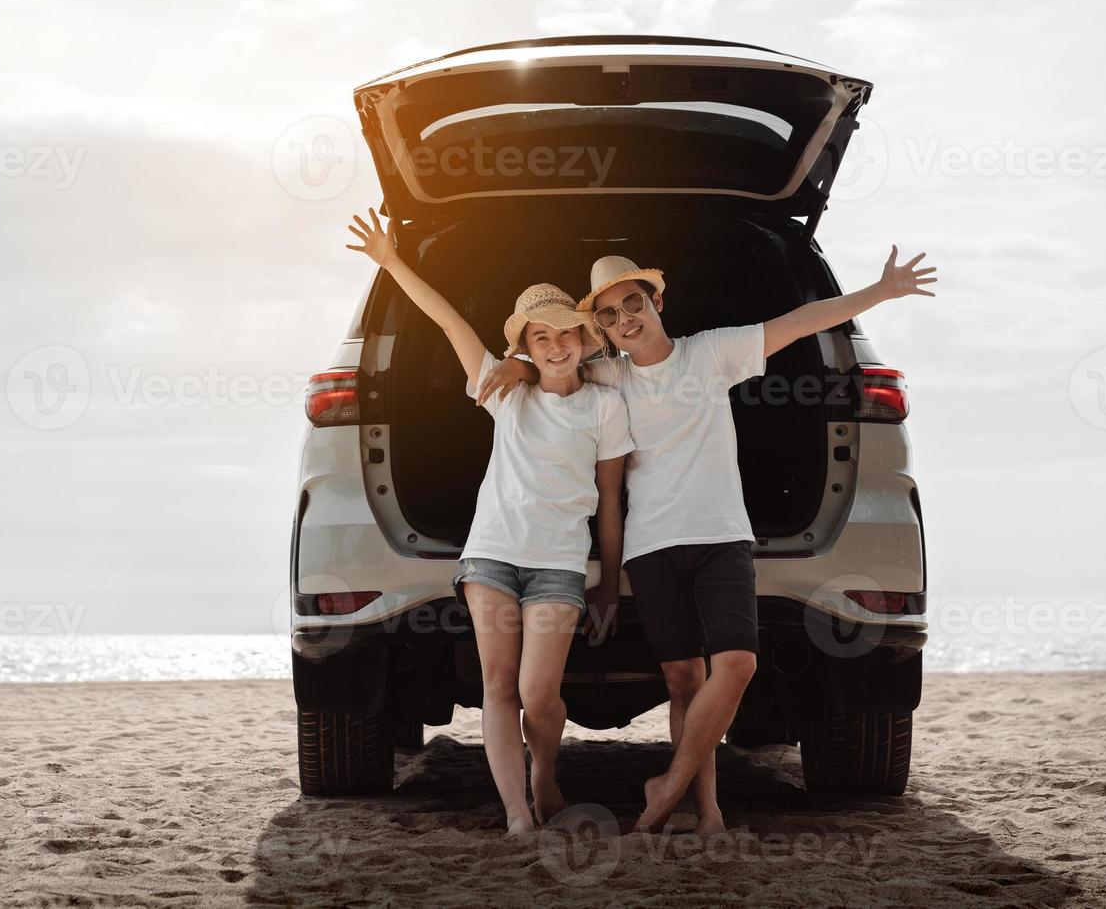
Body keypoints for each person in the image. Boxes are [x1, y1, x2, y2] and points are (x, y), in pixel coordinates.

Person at [477, 247, 938, 834]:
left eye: (633, 304)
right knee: (683, 681)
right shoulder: (607, 375)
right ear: (604, 328)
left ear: (657, 301)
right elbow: (549, 368)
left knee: (739, 665)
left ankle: (671, 785)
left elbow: (800, 323)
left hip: (722, 536)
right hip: (651, 545)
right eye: (612, 315)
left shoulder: (711, 353)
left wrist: (880, 291)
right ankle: (707, 809)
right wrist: (515, 367)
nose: (626, 319)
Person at [345, 208, 634, 836]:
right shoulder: (505, 392)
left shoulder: (605, 406)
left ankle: (543, 777)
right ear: (523, 347)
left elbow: (610, 500)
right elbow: (448, 319)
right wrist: (393, 261)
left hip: (559, 564)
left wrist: (609, 582)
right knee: (498, 685)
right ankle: (515, 816)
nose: (555, 348)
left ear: (583, 340)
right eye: (538, 340)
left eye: (564, 336)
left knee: (538, 694)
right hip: (491, 558)